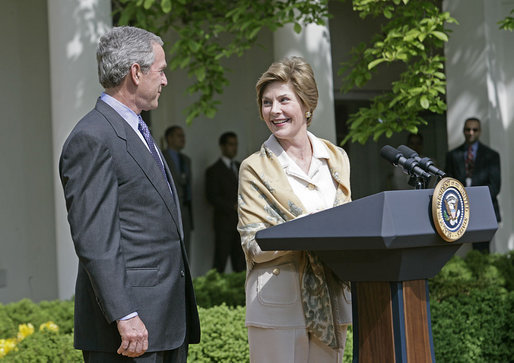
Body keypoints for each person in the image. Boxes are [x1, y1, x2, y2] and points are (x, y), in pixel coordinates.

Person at [59, 26, 200, 362]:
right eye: (161, 70)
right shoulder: (92, 137)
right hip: (129, 332)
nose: (165, 81)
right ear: (136, 73)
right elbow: (95, 238)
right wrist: (124, 314)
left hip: (164, 324)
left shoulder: (135, 129)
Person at [237, 56, 352, 362]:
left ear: (306, 104)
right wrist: (311, 232)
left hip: (331, 300)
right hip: (277, 305)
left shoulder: (337, 158)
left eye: (284, 100)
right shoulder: (254, 168)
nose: (274, 110)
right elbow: (253, 244)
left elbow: (348, 223)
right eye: (266, 102)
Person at [445, 117, 501, 251]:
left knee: (482, 251)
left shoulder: (491, 155)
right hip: (458, 211)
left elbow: (495, 186)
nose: (471, 132)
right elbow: (448, 182)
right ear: (463, 131)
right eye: (467, 129)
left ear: (479, 131)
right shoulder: (453, 155)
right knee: (457, 249)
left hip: (484, 209)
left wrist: (473, 200)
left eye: (474, 129)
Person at [205, 132, 246, 273]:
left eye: (235, 144)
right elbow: (211, 197)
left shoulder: (241, 167)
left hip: (241, 223)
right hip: (223, 223)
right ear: (222, 146)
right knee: (220, 262)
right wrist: (232, 206)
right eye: (230, 144)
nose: (234, 148)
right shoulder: (214, 170)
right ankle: (217, 293)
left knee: (241, 262)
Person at [163, 126, 194, 258]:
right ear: (169, 138)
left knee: (186, 248)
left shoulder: (186, 160)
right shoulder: (161, 156)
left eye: (183, 135)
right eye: (178, 135)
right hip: (169, 210)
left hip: (185, 208)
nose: (183, 139)